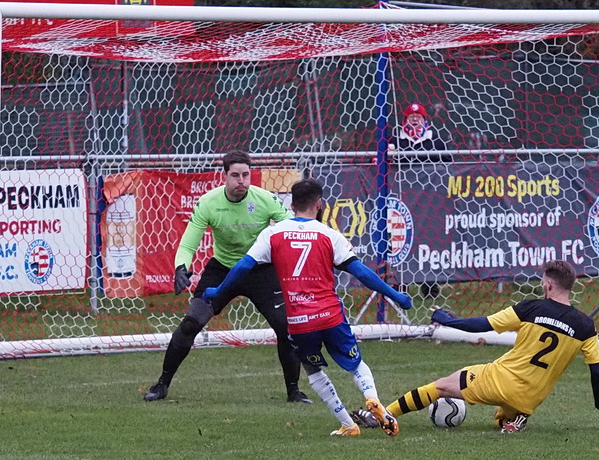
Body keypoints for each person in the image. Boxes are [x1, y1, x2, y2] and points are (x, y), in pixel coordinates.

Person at [203, 178, 414, 437]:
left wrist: (219, 290)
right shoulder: (329, 235)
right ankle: (371, 398)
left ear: (291, 205)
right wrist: (396, 295)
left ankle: (348, 424)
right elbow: (361, 272)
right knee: (356, 364)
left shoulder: (273, 233)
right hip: (330, 316)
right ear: (319, 203)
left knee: (313, 369)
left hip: (300, 321)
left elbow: (243, 266)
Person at [363, 260, 599, 433]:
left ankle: (384, 414)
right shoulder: (585, 325)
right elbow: (598, 371)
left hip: (501, 379)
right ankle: (516, 418)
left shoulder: (531, 308)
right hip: (531, 397)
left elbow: (482, 324)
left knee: (440, 386)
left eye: (543, 281)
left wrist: (448, 320)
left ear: (549, 284)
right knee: (502, 417)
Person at [143, 150, 311, 404]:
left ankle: (294, 391)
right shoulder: (209, 203)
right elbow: (188, 245)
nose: (242, 180)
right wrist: (180, 268)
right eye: (235, 175)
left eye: (246, 175)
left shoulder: (265, 199)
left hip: (260, 269)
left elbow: (293, 227)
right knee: (191, 323)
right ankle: (162, 384)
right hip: (222, 269)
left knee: (285, 327)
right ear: (225, 176)